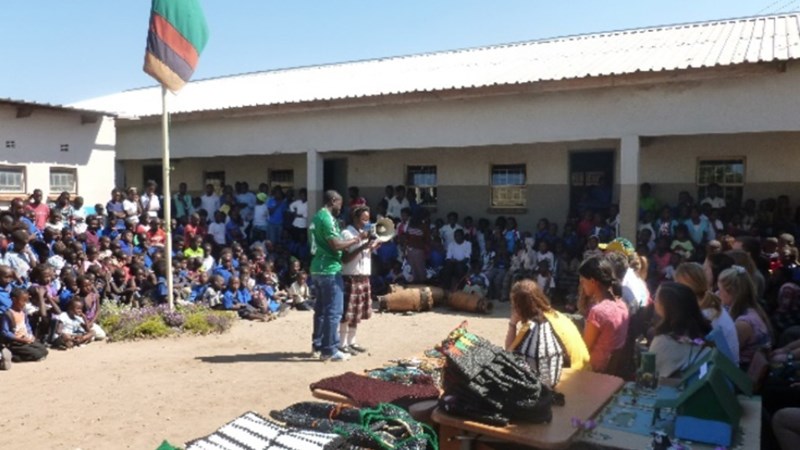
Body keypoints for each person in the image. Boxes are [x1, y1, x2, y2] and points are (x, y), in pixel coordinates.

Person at [309, 190, 368, 362]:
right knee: (333, 311)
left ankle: (318, 345)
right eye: (339, 204)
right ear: (333, 200)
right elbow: (335, 245)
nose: (340, 208)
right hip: (329, 268)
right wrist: (357, 239)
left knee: (321, 311)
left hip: (318, 267)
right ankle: (330, 350)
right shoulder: (326, 218)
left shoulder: (317, 217)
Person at [506, 279, 590, 386]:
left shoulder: (535, 325)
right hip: (582, 369)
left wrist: (512, 323)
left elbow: (509, 353)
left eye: (514, 305)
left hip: (567, 378)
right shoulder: (556, 315)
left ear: (520, 307)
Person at [674, 262, 739, 366]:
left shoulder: (705, 314)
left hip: (722, 372)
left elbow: (697, 345)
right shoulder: (708, 306)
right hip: (719, 366)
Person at [339, 206, 381, 354]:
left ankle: (352, 342)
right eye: (363, 219)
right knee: (347, 313)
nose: (367, 222)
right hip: (351, 276)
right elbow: (345, 258)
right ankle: (342, 343)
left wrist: (373, 246)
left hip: (363, 276)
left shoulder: (366, 234)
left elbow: (365, 253)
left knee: (357, 313)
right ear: (355, 218)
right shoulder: (347, 233)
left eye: (368, 219)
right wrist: (362, 245)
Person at [648, 282, 712, 378]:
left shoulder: (663, 342)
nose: (654, 302)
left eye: (656, 299)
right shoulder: (699, 329)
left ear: (666, 307)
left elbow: (649, 376)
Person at [579, 256, 629, 374]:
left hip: (594, 371)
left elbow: (584, 348)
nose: (582, 285)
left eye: (583, 281)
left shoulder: (598, 312)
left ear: (592, 281)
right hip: (612, 369)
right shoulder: (622, 306)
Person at [718, 265, 773, 368]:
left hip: (743, 372)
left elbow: (724, 355)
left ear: (732, 292)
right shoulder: (752, 309)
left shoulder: (743, 324)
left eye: (720, 290)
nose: (718, 293)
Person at [1, 288, 48, 362]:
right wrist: (20, 339)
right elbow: (5, 332)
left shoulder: (23, 312)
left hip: (25, 339)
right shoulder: (8, 314)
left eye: (26, 301)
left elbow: (27, 325)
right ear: (14, 300)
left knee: (44, 350)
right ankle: (12, 355)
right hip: (15, 342)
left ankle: (23, 353)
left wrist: (30, 335)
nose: (25, 303)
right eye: (23, 301)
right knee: (37, 354)